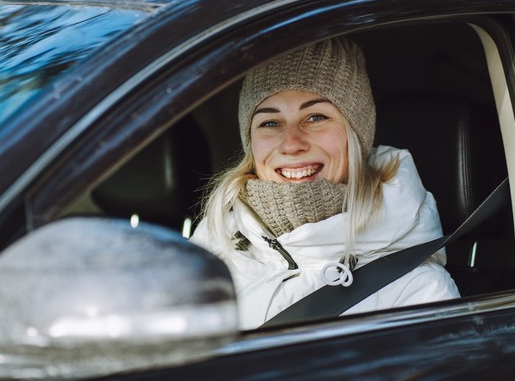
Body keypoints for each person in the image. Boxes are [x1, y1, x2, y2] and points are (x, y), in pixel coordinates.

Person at [190, 37, 460, 330]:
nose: (291, 144)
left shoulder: (418, 289)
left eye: (315, 117)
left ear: (355, 136)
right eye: (269, 122)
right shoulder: (207, 250)